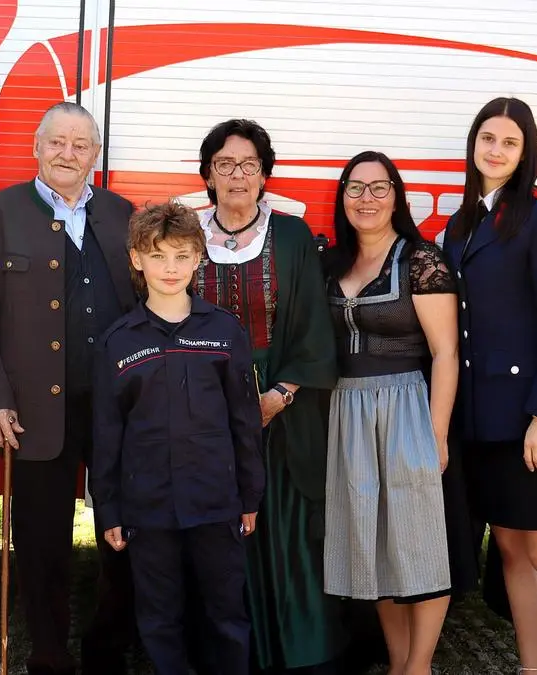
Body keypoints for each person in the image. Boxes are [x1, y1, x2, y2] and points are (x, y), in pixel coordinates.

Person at [0, 101, 138, 675]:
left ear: (96, 154)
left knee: (124, 536)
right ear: (36, 147)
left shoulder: (121, 214)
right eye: (57, 142)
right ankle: (49, 655)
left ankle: (108, 650)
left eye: (80, 144)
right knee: (42, 545)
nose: (68, 153)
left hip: (115, 408)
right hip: (33, 408)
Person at [190, 118, 344, 674]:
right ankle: (228, 652)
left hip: (283, 408)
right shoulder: (185, 236)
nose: (237, 175)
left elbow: (314, 328)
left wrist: (277, 396)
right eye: (225, 164)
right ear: (208, 174)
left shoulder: (293, 236)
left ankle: (297, 654)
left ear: (264, 175)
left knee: (286, 528)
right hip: (202, 408)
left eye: (248, 165)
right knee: (216, 529)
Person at [441, 96, 537, 675]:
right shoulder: (463, 222)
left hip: (529, 419)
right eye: (488, 138)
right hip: (481, 417)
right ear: (473, 143)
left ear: (526, 152)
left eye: (510, 142)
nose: (496, 150)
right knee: (508, 549)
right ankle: (533, 668)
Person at [92, 201, 265, 675]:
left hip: (216, 501)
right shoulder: (118, 341)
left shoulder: (224, 331)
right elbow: (106, 432)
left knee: (225, 613)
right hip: (148, 506)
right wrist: (109, 508)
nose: (170, 268)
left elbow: (244, 421)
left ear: (197, 259)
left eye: (181, 256)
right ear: (136, 259)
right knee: (159, 616)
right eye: (157, 256)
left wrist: (250, 495)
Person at [321, 151, 475, 675]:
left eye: (379, 187)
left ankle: (419, 666)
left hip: (406, 405)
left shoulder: (421, 260)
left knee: (420, 542)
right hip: (348, 411)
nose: (366, 198)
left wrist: (436, 433)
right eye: (355, 187)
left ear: (397, 197)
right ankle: (397, 662)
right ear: (343, 196)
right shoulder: (333, 263)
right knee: (374, 544)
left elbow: (446, 353)